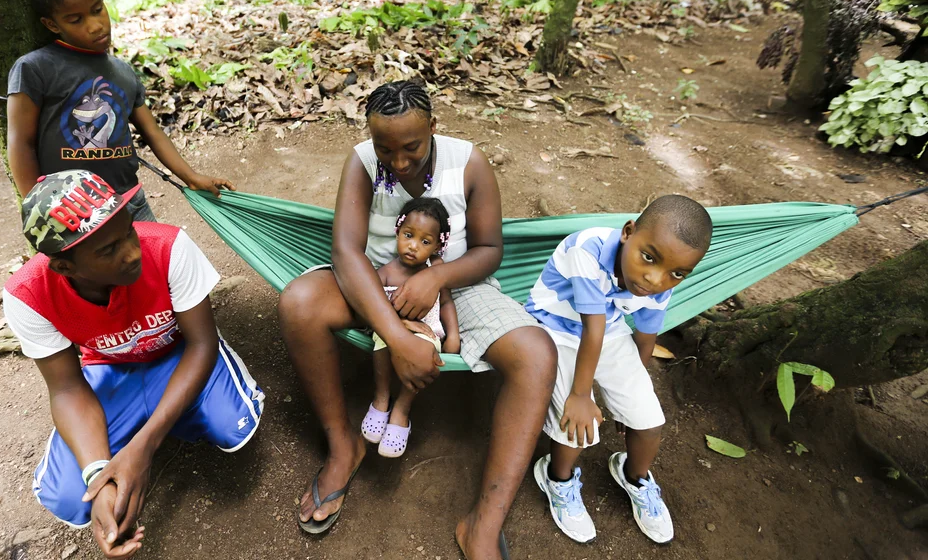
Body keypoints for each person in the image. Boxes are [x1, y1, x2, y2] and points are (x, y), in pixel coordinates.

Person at [278, 80, 556, 558]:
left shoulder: (468, 162)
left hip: (457, 289)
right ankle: (345, 448)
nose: (398, 161)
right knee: (299, 302)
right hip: (372, 285)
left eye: (411, 147)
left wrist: (436, 277)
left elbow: (490, 251)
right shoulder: (363, 162)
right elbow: (346, 253)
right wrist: (396, 336)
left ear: (433, 126)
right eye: (385, 148)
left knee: (537, 353)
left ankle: (483, 525)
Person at [3, 169, 264, 559]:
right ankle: (134, 442)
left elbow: (202, 342)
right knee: (73, 500)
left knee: (234, 426)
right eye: (108, 250)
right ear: (64, 267)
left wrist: (144, 446)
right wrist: (98, 476)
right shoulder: (28, 294)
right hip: (108, 369)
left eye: (128, 231)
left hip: (179, 351)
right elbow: (68, 388)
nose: (131, 251)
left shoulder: (168, 246)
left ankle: (157, 427)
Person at [525, 195, 712, 545]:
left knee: (649, 420)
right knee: (579, 423)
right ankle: (557, 477)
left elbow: (645, 335)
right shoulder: (588, 249)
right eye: (649, 258)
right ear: (628, 232)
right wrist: (581, 396)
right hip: (553, 327)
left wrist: (628, 394)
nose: (655, 279)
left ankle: (635, 475)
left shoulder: (661, 281)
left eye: (676, 273)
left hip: (608, 332)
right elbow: (589, 330)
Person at [6, 0, 233, 222]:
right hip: (74, 212)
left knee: (151, 262)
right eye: (75, 20)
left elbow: (152, 131)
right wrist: (40, 210)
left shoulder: (123, 72)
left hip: (130, 200)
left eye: (96, 9)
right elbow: (21, 143)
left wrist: (191, 176)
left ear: (102, 0)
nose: (95, 25)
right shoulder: (35, 69)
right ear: (52, 24)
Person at [362, 197, 461, 458]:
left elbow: (447, 301)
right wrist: (403, 324)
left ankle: (402, 410)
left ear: (438, 246)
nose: (413, 246)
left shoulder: (436, 270)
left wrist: (454, 335)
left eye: (425, 242)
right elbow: (374, 310)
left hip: (427, 335)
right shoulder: (384, 272)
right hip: (391, 332)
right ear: (398, 231)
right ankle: (381, 398)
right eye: (408, 235)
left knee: (422, 354)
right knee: (382, 342)